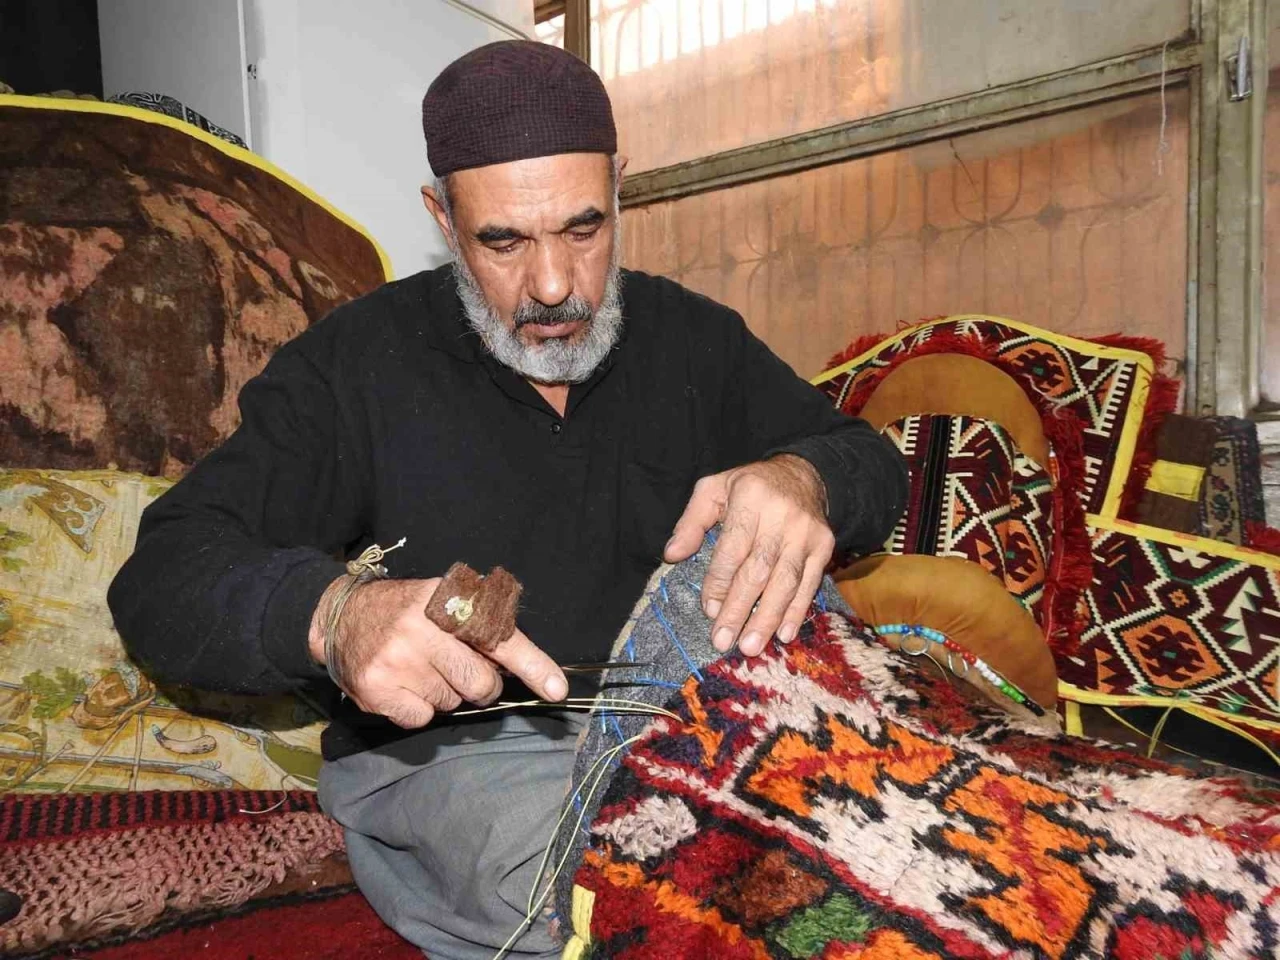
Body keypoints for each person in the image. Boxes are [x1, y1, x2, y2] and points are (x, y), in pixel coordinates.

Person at [108, 40, 907, 959]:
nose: (555, 285)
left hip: (702, 722)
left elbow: (870, 465)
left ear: (619, 190)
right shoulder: (354, 365)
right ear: (443, 219)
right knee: (651, 889)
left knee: (900, 843)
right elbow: (164, 572)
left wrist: (804, 479)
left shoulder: (695, 340)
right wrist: (336, 615)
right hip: (468, 753)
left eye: (584, 229)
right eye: (504, 241)